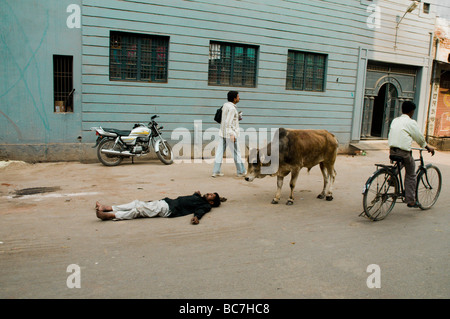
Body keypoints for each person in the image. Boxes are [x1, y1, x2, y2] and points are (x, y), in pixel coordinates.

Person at [388, 101, 435, 207]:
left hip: (392, 150)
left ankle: (392, 175)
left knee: (404, 160)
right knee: (411, 173)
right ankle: (410, 200)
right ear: (412, 111)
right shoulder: (411, 122)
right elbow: (419, 138)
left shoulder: (396, 120)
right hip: (403, 152)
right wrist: (427, 147)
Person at [95, 191, 223, 224]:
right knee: (136, 203)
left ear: (211, 203)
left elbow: (200, 211)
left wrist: (196, 217)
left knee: (138, 210)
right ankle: (108, 207)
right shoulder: (200, 198)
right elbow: (192, 199)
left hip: (167, 210)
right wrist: (196, 194)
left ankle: (110, 215)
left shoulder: (205, 205)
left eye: (211, 195)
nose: (209, 194)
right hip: (165, 202)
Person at [212, 90, 246, 177]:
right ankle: (241, 171)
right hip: (230, 134)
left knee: (219, 152)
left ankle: (216, 171)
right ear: (234, 99)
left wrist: (237, 117)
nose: (239, 98)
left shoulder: (225, 105)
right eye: (238, 96)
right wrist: (231, 134)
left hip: (223, 133)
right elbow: (228, 122)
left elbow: (227, 120)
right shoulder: (232, 108)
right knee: (236, 153)